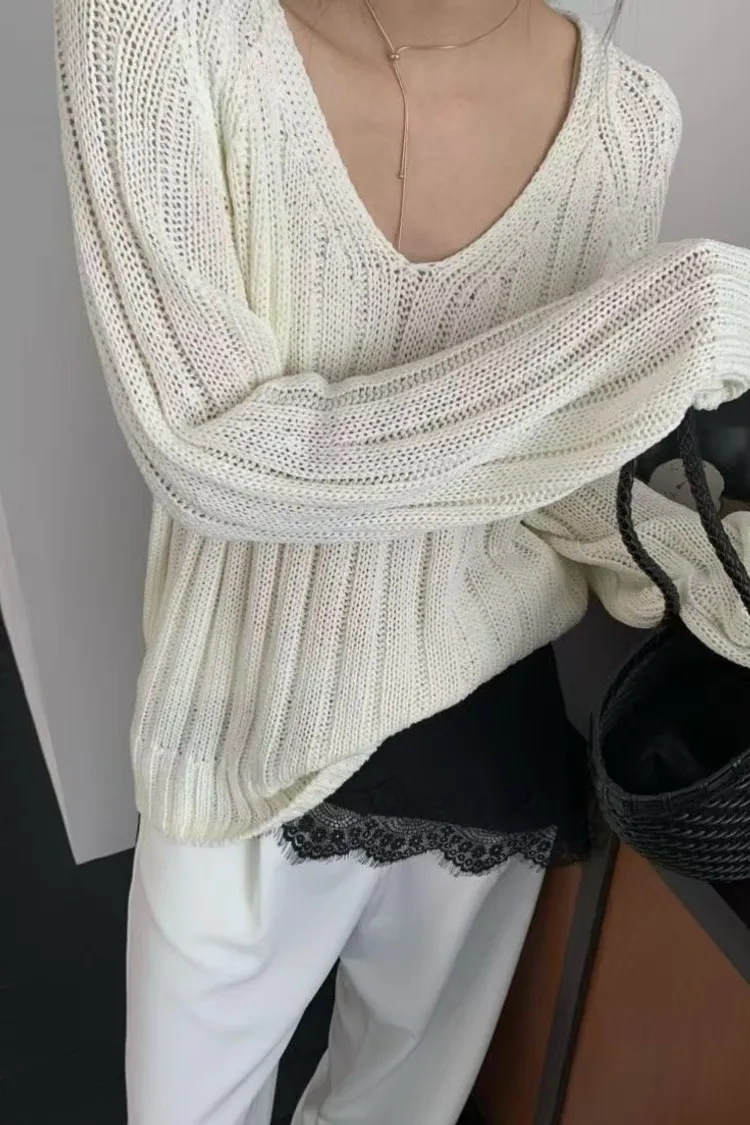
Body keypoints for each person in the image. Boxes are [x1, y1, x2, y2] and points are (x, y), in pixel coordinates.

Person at [54, 0, 750, 1122]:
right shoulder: (156, 28)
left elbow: (555, 472)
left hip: (484, 734)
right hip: (240, 732)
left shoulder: (623, 122)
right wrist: (651, 331)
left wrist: (716, 572)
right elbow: (211, 455)